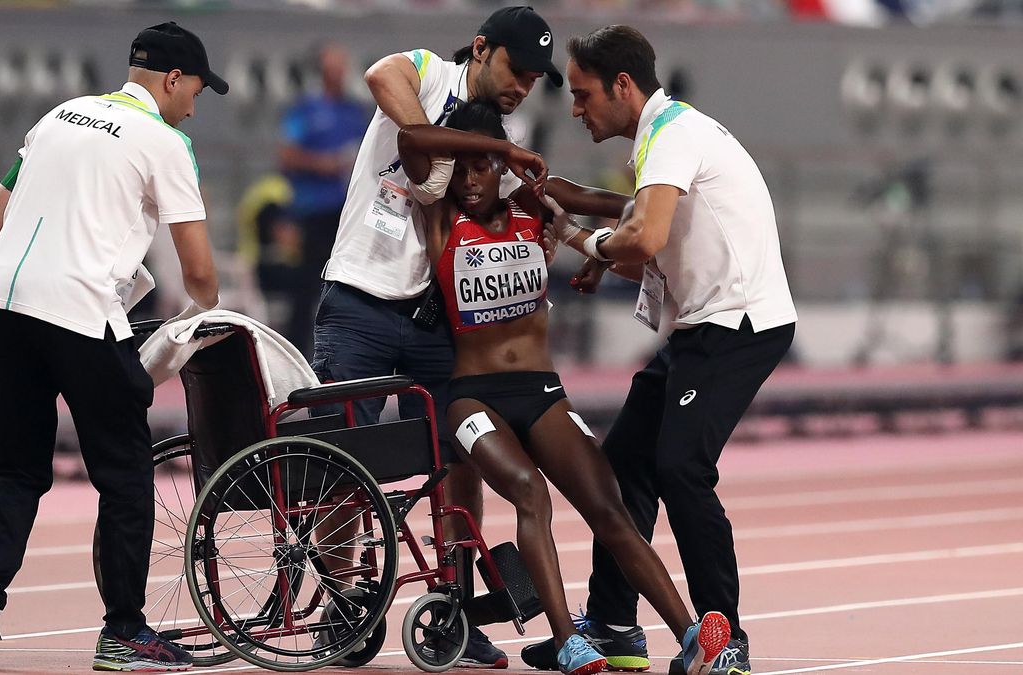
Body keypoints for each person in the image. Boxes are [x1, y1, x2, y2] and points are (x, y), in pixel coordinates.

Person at [397, 98, 732, 675]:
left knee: (611, 508)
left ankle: (693, 641)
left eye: (484, 168)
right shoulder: (440, 214)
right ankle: (567, 642)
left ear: (502, 172)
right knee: (529, 490)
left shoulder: (534, 204)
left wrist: (603, 249)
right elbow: (410, 141)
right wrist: (498, 148)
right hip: (472, 398)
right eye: (464, 165)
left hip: (541, 392)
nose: (472, 180)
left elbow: (625, 210)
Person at [0, 22, 225, 672]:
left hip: (5, 305)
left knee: (16, 466)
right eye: (197, 92)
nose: (194, 105)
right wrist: (192, 326)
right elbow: (203, 276)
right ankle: (125, 632)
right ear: (174, 79)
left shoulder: (58, 117)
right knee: (126, 472)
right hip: (78, 310)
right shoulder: (168, 141)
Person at [520, 26, 798, 675]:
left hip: (739, 323)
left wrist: (582, 241)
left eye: (585, 94)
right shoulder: (661, 137)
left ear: (623, 85)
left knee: (681, 467)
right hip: (702, 324)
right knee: (623, 464)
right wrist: (589, 226)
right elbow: (656, 241)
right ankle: (617, 623)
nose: (575, 108)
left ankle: (725, 640)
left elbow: (643, 236)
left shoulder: (673, 135)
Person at [310, 6, 563, 668]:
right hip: (360, 301)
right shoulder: (427, 72)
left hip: (435, 323)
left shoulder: (507, 131)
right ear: (480, 49)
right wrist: (462, 150)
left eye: (535, 78)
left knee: (462, 461)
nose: (522, 86)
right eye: (516, 69)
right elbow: (380, 77)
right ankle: (342, 598)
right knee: (346, 464)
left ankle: (456, 603)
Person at [276, 43, 368, 353]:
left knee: (348, 286)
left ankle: (346, 349)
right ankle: (295, 354)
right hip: (312, 210)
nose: (338, 74)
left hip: (348, 214)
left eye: (342, 67)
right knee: (305, 286)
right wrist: (323, 163)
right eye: (333, 67)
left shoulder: (354, 111)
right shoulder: (304, 110)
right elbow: (286, 156)